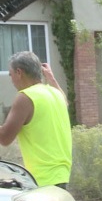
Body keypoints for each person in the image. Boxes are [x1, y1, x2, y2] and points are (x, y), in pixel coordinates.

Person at [1, 51, 72, 188]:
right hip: (61, 175)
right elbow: (65, 101)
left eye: (11, 75)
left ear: (19, 72)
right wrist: (51, 78)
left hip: (42, 179)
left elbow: (5, 138)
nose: (11, 80)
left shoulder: (26, 97)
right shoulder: (56, 94)